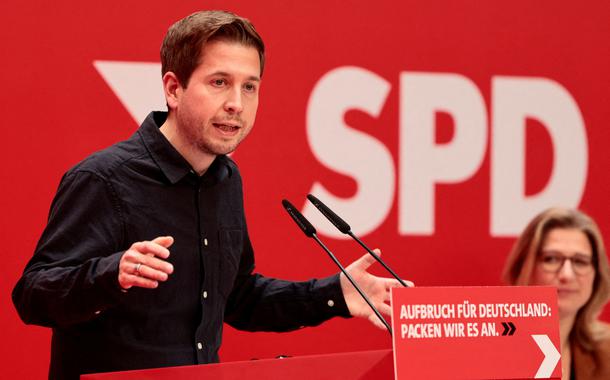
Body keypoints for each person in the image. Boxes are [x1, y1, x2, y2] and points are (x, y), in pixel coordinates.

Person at [12, 10, 410, 380]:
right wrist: (111, 274)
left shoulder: (225, 179)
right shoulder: (104, 178)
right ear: (173, 88)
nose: (237, 104)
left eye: (249, 87)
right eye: (219, 82)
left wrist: (336, 294)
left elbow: (237, 297)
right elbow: (32, 296)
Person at [502, 208, 610, 380]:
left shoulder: (606, 349)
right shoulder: (490, 347)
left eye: (580, 262)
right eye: (551, 259)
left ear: (596, 274)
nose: (566, 274)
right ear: (524, 268)